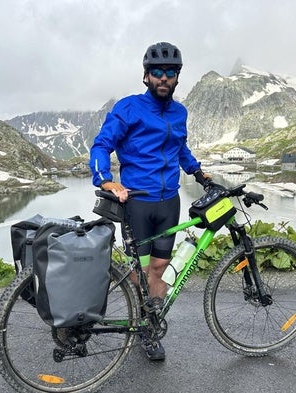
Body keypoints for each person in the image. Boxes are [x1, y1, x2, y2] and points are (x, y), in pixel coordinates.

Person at [89, 42, 210, 361]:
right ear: (146, 76)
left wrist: (198, 173)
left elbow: (180, 149)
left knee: (160, 266)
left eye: (170, 72)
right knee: (141, 270)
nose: (163, 78)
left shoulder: (179, 112)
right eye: (157, 72)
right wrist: (106, 180)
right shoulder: (128, 108)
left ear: (177, 77)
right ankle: (140, 323)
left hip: (169, 202)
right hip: (138, 203)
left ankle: (152, 321)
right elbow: (101, 146)